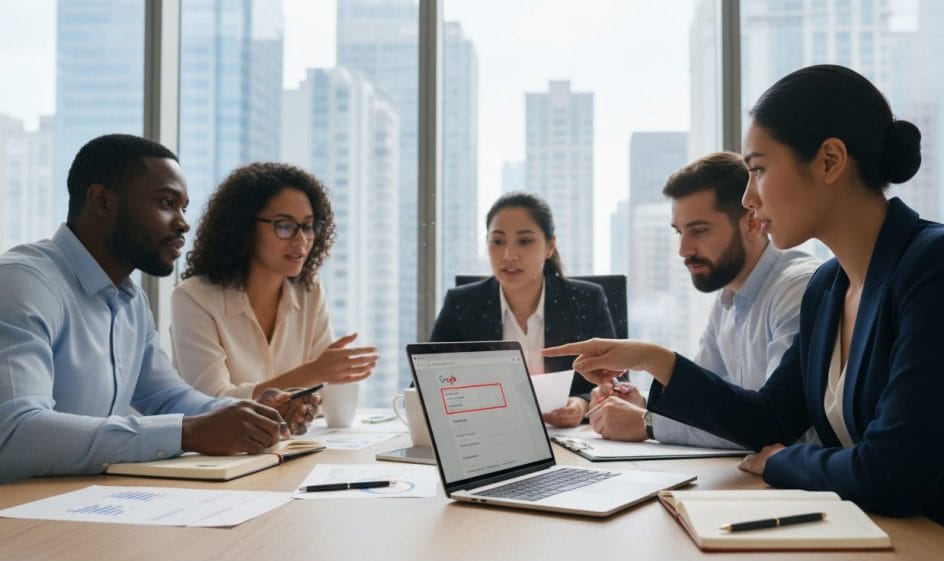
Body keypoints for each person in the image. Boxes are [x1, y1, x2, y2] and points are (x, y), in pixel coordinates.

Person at [545, 65, 944, 561]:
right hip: (878, 545)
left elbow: (894, 474)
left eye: (759, 170)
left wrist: (782, 460)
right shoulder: (828, 287)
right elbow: (767, 417)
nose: (750, 199)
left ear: (830, 161)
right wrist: (655, 359)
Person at [0, 134, 318, 484]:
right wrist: (186, 433)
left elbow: (168, 398)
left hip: (79, 505)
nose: (183, 222)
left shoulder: (131, 301)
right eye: (167, 203)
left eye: (184, 207)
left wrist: (249, 413)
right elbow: (16, 434)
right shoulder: (23, 284)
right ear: (101, 201)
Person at [587, 152, 819, 445]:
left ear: (751, 221)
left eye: (699, 230)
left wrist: (647, 423)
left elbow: (769, 427)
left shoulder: (796, 288)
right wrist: (640, 402)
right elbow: (709, 402)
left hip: (798, 485)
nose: (683, 249)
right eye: (679, 232)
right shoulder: (729, 295)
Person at [171, 162, 378, 399]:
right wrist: (313, 373)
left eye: (308, 226)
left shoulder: (309, 292)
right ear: (244, 227)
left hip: (294, 437)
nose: (301, 241)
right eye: (284, 225)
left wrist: (328, 377)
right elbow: (212, 402)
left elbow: (322, 395)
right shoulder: (193, 298)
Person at [429, 192, 616, 427]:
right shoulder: (462, 304)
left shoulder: (586, 300)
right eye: (498, 241)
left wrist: (580, 404)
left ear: (549, 246)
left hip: (568, 439)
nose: (509, 255)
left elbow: (613, 383)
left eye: (524, 241)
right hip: (490, 436)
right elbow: (426, 388)